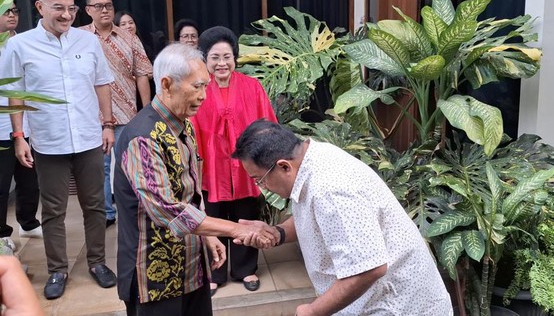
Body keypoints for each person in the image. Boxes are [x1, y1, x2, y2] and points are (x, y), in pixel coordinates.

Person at [113, 43, 277, 316]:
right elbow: (167, 209)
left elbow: (190, 193)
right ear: (166, 84)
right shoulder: (142, 137)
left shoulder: (183, 124)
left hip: (191, 265)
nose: (204, 95)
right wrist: (235, 229)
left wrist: (209, 235)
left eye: (206, 86)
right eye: (197, 86)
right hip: (154, 275)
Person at [233, 120, 454, 316]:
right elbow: (317, 220)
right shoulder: (310, 157)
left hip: (397, 304)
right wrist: (278, 233)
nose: (262, 187)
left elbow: (369, 268)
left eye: (259, 179)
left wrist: (312, 311)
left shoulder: (330, 188)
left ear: (283, 166)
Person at [0, 0, 117, 300]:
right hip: (48, 143)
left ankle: (97, 262)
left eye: (71, 8)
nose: (66, 15)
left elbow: (102, 84)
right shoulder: (19, 45)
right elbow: (15, 95)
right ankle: (58, 269)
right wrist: (19, 136)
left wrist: (108, 125)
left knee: (95, 207)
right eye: (58, 8)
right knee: (53, 210)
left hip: (89, 139)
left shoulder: (87, 42)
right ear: (40, 7)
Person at [190, 26, 277, 292]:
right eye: (215, 57)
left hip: (244, 167)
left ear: (235, 58)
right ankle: (216, 271)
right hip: (211, 165)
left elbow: (267, 123)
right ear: (205, 60)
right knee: (213, 217)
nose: (221, 63)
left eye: (227, 56)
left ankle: (246, 269)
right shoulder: (197, 88)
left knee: (245, 216)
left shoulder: (252, 86)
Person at [80, 0, 152, 227]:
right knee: (101, 167)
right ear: (88, 10)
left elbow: (142, 74)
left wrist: (146, 110)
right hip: (92, 116)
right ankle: (107, 214)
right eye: (98, 6)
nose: (104, 10)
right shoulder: (78, 37)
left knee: (130, 166)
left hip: (127, 114)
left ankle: (133, 209)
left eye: (108, 6)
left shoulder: (128, 37)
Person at [0, 0, 43, 254]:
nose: (12, 15)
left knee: (30, 181)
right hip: (1, 127)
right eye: (5, 11)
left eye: (15, 10)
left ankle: (28, 222)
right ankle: (2, 234)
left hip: (27, 125)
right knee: (1, 186)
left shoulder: (25, 43)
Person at [115, 10, 158, 111]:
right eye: (123, 24)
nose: (128, 26)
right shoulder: (114, 50)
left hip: (146, 93)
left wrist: (142, 75)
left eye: (131, 22)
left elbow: (153, 70)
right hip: (125, 97)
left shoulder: (145, 47)